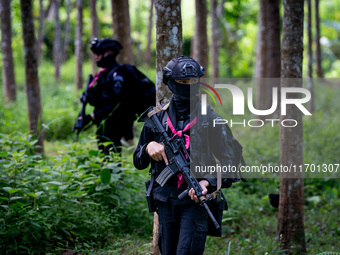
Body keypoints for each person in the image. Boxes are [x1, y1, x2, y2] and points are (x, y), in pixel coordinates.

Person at [133, 56, 241, 255]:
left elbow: (232, 163)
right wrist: (149, 147)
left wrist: (206, 182)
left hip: (196, 201)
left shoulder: (212, 120)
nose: (188, 86)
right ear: (171, 83)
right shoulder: (157, 118)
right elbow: (138, 161)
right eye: (182, 82)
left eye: (193, 81)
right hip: (165, 201)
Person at [79, 38, 154, 156]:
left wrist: (93, 117)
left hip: (114, 126)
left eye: (98, 54)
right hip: (103, 125)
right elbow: (100, 100)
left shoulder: (119, 74)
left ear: (108, 54)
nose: (96, 57)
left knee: (112, 160)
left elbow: (114, 102)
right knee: (105, 159)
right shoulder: (104, 75)